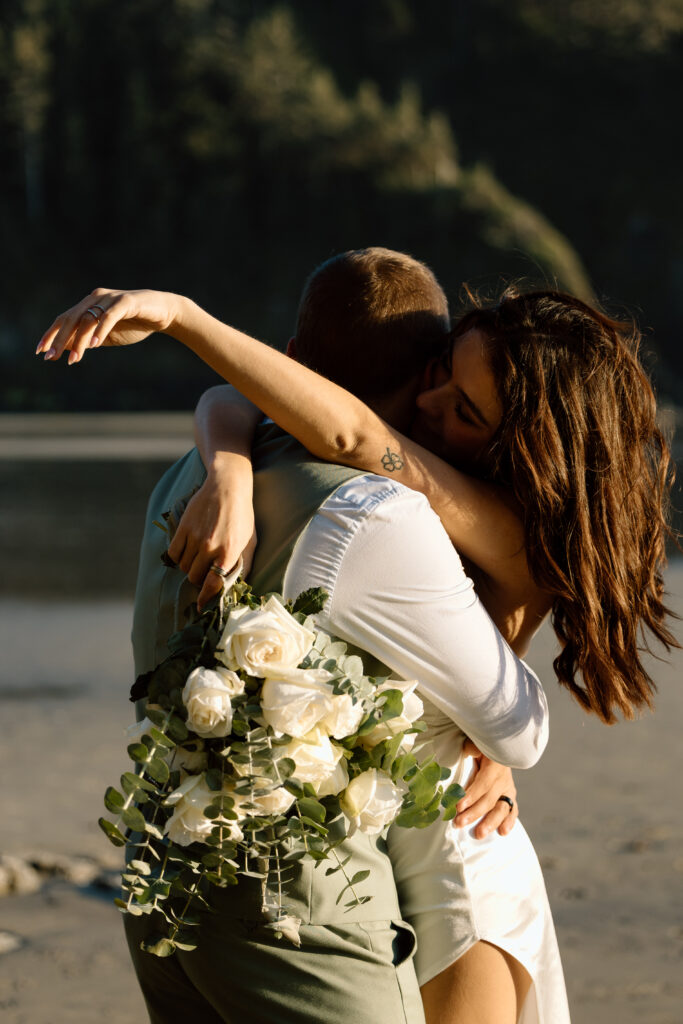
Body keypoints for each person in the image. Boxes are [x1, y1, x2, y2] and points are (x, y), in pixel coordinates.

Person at [37, 250, 552, 1024]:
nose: (442, 401)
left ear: (287, 363)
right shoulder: (382, 514)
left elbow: (247, 401)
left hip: (166, 884)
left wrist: (226, 463)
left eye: (466, 404)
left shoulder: (186, 477)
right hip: (313, 903)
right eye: (441, 379)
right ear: (418, 379)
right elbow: (520, 729)